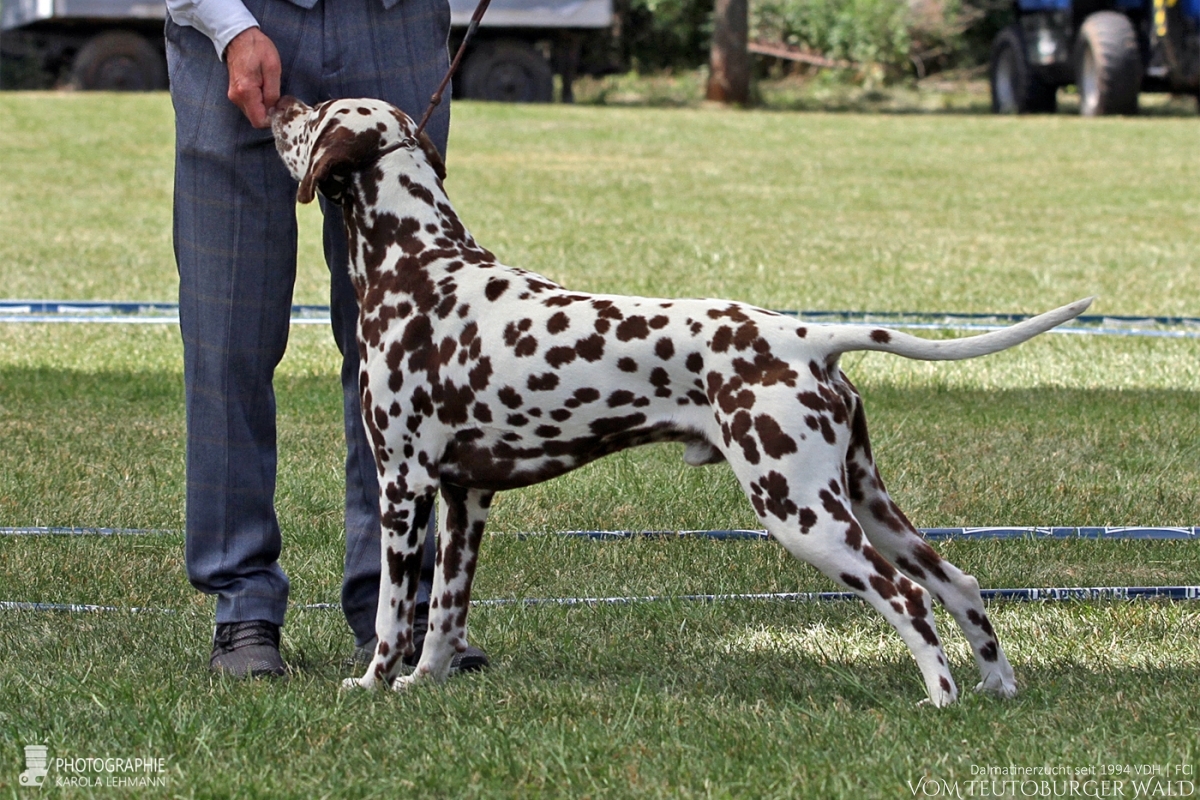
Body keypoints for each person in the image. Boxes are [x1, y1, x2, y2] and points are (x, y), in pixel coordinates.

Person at [165, 0, 488, 677]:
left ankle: (398, 611)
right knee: (228, 337)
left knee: (401, 352)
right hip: (235, 20)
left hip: (394, 26)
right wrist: (228, 27)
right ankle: (242, 604)